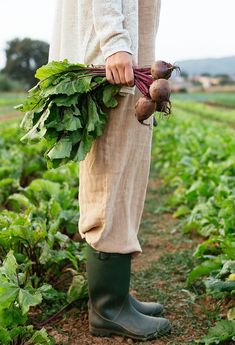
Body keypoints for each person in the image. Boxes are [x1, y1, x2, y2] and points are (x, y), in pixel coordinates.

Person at [49, 0, 171, 341]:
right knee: (110, 174)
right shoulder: (113, 46)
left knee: (126, 172)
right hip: (113, 61)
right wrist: (115, 41)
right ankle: (108, 308)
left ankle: (117, 294)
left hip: (126, 60)